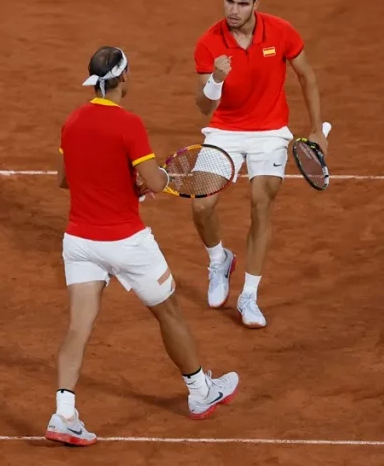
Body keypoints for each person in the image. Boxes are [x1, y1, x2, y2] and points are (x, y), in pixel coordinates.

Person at [45, 46, 239, 447]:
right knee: (169, 313)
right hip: (127, 243)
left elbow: (65, 179)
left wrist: (123, 184)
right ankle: (200, 391)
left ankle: (64, 415)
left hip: (79, 242)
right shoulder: (128, 123)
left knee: (78, 327)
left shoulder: (72, 121)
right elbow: (154, 181)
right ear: (123, 78)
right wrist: (154, 181)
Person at [191, 0, 331, 329]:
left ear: (256, 3)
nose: (233, 10)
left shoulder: (281, 32)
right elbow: (205, 107)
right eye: (228, 1)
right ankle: (219, 260)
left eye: (242, 4)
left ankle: (249, 295)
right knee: (202, 204)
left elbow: (307, 76)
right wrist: (216, 79)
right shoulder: (208, 43)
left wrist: (317, 129)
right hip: (224, 130)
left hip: (270, 132)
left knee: (261, 202)